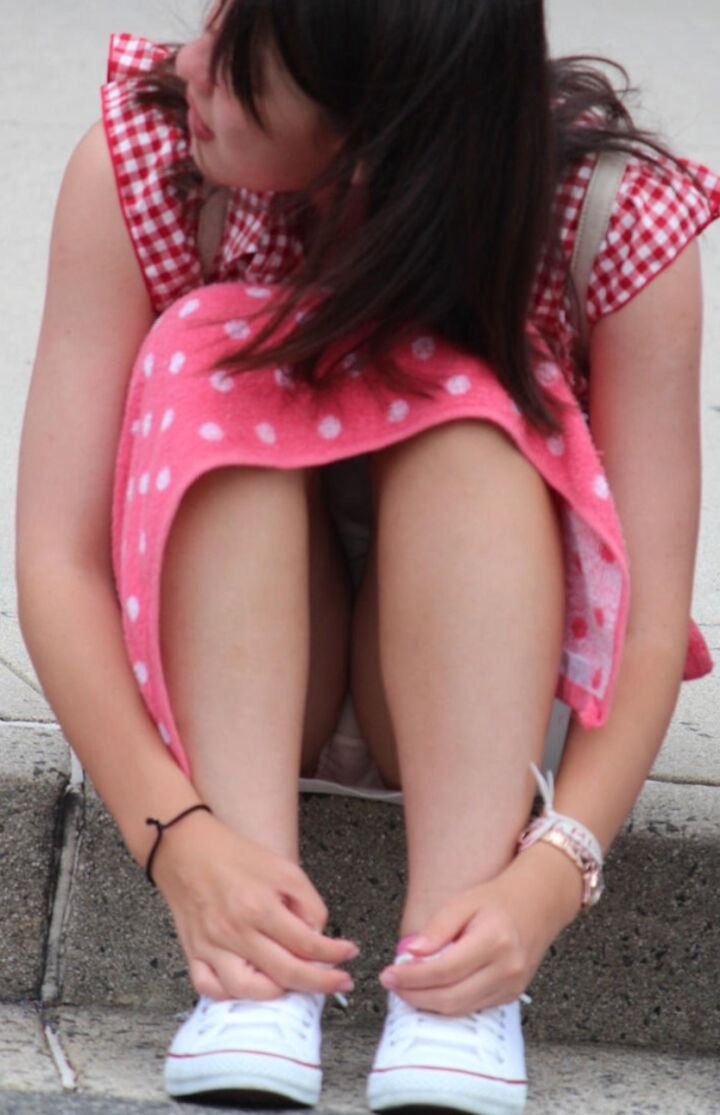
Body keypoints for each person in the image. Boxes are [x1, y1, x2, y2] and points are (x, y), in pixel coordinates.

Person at [15, 1, 718, 1112]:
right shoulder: (154, 167)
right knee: (217, 349)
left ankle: (454, 983)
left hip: (481, 699)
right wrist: (177, 839)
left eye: (242, 63)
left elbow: (646, 622)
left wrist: (549, 873)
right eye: (216, 20)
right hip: (218, 682)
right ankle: (255, 974)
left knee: (473, 428)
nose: (189, 64)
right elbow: (57, 562)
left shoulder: (600, 218)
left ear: (373, 125)